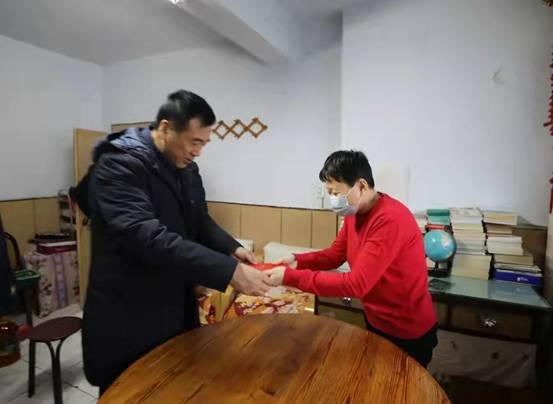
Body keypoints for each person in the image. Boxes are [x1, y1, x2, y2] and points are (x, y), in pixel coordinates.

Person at [72, 90, 271, 394]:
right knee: (129, 391)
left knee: (174, 386)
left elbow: (199, 220)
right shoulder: (119, 164)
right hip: (129, 311)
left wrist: (233, 248)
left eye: (204, 144)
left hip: (173, 302)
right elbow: (148, 237)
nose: (198, 151)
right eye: (194, 142)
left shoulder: (187, 169)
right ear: (166, 128)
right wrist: (228, 271)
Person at [267, 150, 437, 367]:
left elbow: (357, 284)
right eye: (329, 193)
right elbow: (336, 254)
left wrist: (289, 277)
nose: (333, 200)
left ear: (361, 185)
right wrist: (297, 260)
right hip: (377, 319)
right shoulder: (354, 212)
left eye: (336, 193)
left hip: (407, 329)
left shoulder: (390, 219)